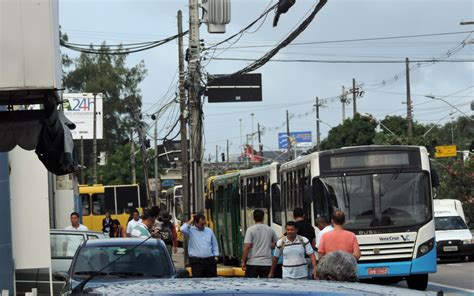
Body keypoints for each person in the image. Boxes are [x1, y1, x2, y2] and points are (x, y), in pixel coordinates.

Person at [241, 209, 278, 278]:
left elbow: (247, 246)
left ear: (253, 218)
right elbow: (276, 244)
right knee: (266, 286)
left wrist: (243, 261)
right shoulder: (270, 230)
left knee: (250, 286)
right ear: (263, 218)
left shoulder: (250, 230)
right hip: (267, 263)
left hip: (252, 263)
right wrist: (269, 245)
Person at [293, 207, 316, 278]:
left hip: (298, 258)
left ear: (293, 216)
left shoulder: (293, 228)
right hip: (309, 257)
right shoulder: (310, 227)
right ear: (303, 215)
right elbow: (313, 243)